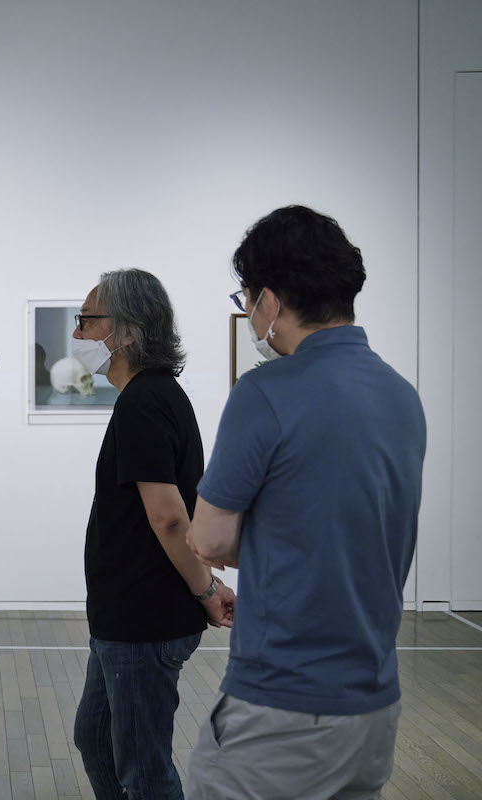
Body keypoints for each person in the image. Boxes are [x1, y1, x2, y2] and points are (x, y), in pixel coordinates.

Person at [186, 206, 426, 799]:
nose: (247, 311)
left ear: (269, 300)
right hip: (373, 704)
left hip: (281, 704)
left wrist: (259, 539)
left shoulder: (263, 393)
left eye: (246, 298)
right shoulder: (402, 396)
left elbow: (209, 539)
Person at [72, 268, 236, 800]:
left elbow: (168, 516)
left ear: (126, 331)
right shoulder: (152, 396)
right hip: (125, 617)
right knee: (96, 739)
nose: (76, 333)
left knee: (144, 769)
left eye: (86, 320)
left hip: (144, 620)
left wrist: (206, 590)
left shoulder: (145, 402)